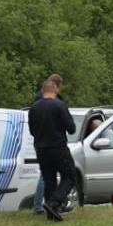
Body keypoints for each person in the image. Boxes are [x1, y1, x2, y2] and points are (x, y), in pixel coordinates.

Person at [29, 76, 79, 222]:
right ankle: (54, 203)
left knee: (49, 179)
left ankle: (52, 213)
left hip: (41, 149)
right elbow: (71, 128)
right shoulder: (59, 105)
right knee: (70, 176)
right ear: (55, 90)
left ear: (43, 91)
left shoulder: (34, 108)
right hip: (58, 147)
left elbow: (32, 131)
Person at [31, 73, 63, 215]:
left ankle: (48, 203)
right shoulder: (49, 101)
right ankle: (42, 204)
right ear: (55, 85)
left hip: (40, 140)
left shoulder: (38, 99)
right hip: (48, 142)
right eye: (60, 87)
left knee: (47, 174)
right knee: (46, 175)